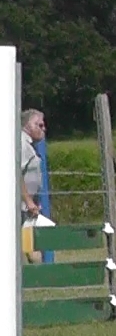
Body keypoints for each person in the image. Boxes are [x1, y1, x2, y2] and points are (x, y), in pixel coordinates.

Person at [20, 110, 46, 263]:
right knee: (31, 250)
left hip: (26, 208)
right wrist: (28, 201)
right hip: (20, 208)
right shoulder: (22, 145)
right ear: (27, 125)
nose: (43, 129)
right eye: (39, 125)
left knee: (33, 248)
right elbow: (14, 174)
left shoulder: (30, 145)